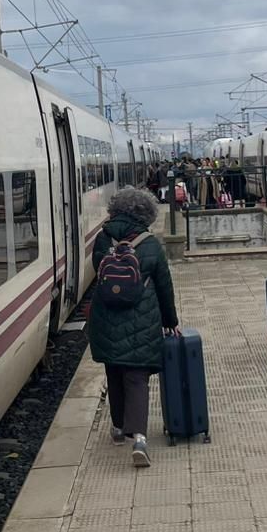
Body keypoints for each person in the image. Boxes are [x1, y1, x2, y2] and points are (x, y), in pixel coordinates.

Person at [89, 188, 179, 468]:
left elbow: (98, 272)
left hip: (106, 318)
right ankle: (139, 438)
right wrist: (170, 322)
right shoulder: (150, 244)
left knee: (114, 371)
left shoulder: (104, 238)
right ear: (146, 213)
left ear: (115, 209)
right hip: (142, 320)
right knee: (137, 377)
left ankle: (118, 429)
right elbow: (164, 286)